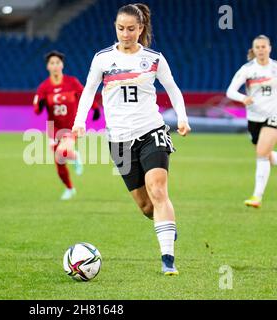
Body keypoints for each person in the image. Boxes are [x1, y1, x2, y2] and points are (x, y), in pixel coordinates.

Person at [72, 3, 190, 275]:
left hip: (151, 131)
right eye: (121, 28)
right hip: (119, 141)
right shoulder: (102, 58)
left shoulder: (154, 59)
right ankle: (167, 227)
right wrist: (79, 124)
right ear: (115, 28)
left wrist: (182, 118)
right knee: (147, 206)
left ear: (141, 29)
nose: (125, 34)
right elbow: (89, 92)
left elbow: (173, 88)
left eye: (131, 29)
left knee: (158, 191)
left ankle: (168, 260)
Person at [33, 50, 100, 200]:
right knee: (59, 162)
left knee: (61, 152)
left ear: (62, 65)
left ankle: (75, 156)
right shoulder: (44, 87)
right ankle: (69, 188)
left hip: (71, 126)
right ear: (47, 67)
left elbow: (85, 96)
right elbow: (36, 110)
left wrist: (95, 108)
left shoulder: (72, 82)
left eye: (57, 62)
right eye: (52, 63)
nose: (55, 66)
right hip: (53, 128)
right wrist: (40, 105)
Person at [227, 35, 277, 208]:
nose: (261, 50)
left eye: (264, 47)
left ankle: (257, 197)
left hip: (273, 116)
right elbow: (230, 91)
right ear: (253, 50)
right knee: (268, 155)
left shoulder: (275, 68)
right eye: (258, 47)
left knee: (262, 153)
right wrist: (243, 98)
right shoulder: (247, 69)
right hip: (254, 118)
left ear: (269, 48)